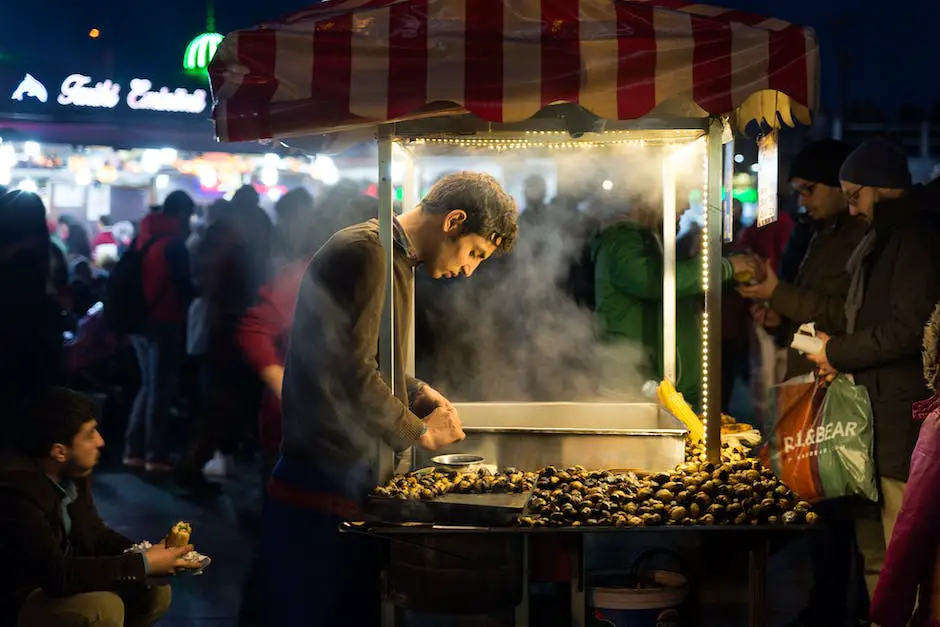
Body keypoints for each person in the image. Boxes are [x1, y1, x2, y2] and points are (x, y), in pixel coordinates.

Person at [263, 171, 519, 626]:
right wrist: (418, 431)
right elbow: (351, 373)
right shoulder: (369, 252)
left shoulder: (393, 256)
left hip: (345, 471)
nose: (468, 269)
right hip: (325, 475)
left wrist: (418, 392)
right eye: (475, 253)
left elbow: (368, 357)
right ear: (454, 221)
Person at [739, 139, 869, 626]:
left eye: (810, 190)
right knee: (822, 509)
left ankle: (837, 610)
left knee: (840, 514)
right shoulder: (819, 232)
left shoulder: (857, 237)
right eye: (798, 191)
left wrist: (780, 294)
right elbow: (810, 317)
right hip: (812, 385)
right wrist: (776, 316)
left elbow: (841, 315)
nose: (804, 201)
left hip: (842, 392)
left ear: (841, 186)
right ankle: (828, 604)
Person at [806, 137, 940, 600]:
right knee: (877, 552)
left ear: (882, 189)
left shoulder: (914, 238)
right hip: (878, 414)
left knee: (901, 548)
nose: (853, 209)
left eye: (854, 196)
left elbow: (909, 328)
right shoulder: (886, 237)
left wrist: (838, 352)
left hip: (902, 417)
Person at [0, 387, 202, 627]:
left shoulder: (72, 474)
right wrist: (143, 563)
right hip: (17, 600)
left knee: (154, 591)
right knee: (101, 608)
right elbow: (58, 574)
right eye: (90, 434)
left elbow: (96, 535)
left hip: (55, 584)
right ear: (59, 451)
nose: (101, 441)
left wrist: (148, 555)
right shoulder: (15, 491)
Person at [592, 196, 756, 410]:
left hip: (657, 386)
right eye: (679, 195)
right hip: (637, 387)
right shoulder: (622, 240)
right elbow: (654, 282)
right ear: (653, 194)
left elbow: (673, 286)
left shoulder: (649, 238)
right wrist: (723, 267)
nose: (687, 206)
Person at [123, 191, 196, 472]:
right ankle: (155, 453)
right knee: (161, 389)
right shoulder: (173, 244)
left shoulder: (145, 237)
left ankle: (133, 449)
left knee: (148, 386)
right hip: (164, 322)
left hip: (141, 322)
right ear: (180, 213)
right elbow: (183, 288)